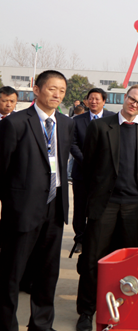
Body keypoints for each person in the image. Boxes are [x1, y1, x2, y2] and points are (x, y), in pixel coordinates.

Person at [75, 85, 138, 331]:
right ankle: (86, 311)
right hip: (105, 204)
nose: (134, 104)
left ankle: (124, 309)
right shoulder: (101, 126)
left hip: (135, 206)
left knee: (129, 262)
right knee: (93, 259)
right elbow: (89, 167)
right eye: (132, 99)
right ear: (124, 97)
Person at [0, 70, 75, 331]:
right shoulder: (16, 123)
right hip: (22, 209)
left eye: (62, 90)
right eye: (52, 88)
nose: (57, 94)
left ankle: (41, 324)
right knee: (12, 273)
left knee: (47, 272)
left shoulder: (66, 123)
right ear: (37, 89)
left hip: (54, 207)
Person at [69, 88, 116, 255]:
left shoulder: (112, 118)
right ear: (86, 101)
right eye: (91, 99)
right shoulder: (77, 120)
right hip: (82, 172)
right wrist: (86, 162)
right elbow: (72, 144)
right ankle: (80, 239)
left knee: (101, 206)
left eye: (97, 99)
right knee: (80, 207)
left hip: (105, 174)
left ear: (104, 101)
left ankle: (96, 238)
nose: (93, 101)